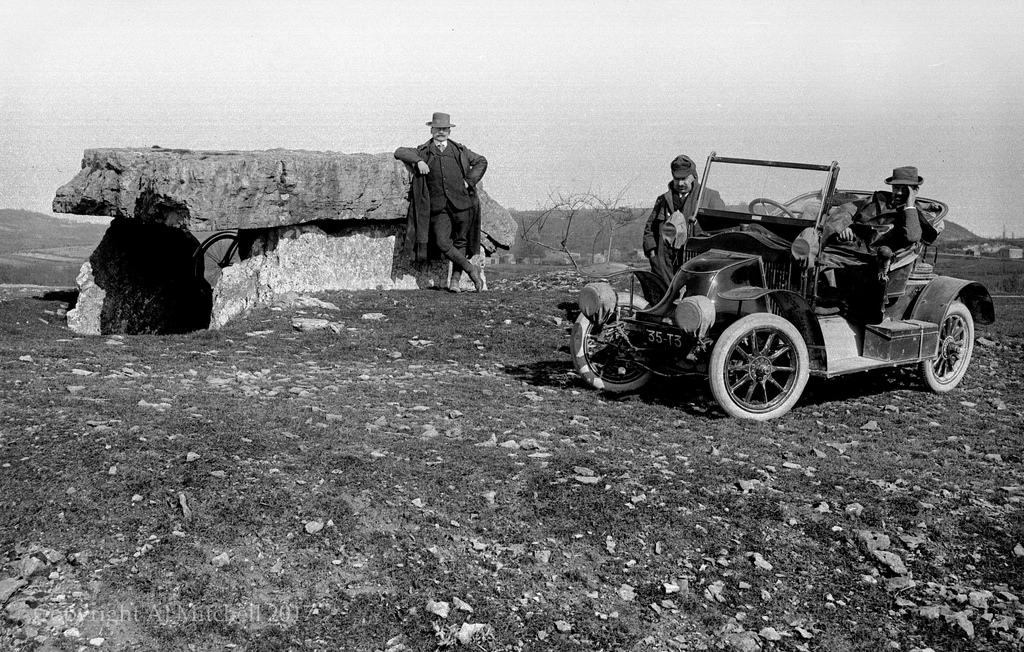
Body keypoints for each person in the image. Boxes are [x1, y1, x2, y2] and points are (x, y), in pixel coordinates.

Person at [395, 112, 487, 292]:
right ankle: (471, 270)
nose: (441, 132)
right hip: (438, 207)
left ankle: (454, 282)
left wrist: (469, 181)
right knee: (442, 242)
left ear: (449, 131)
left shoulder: (460, 151)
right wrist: (418, 160)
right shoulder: (423, 151)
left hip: (462, 204)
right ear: (431, 130)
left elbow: (481, 161)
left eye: (444, 129)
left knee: (461, 242)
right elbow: (399, 151)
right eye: (438, 129)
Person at [642, 155, 724, 283]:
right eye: (676, 179)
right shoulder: (662, 200)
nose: (680, 183)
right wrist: (653, 254)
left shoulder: (710, 197)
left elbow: (722, 232)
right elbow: (649, 230)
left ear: (694, 176)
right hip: (665, 267)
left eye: (684, 179)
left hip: (696, 265)